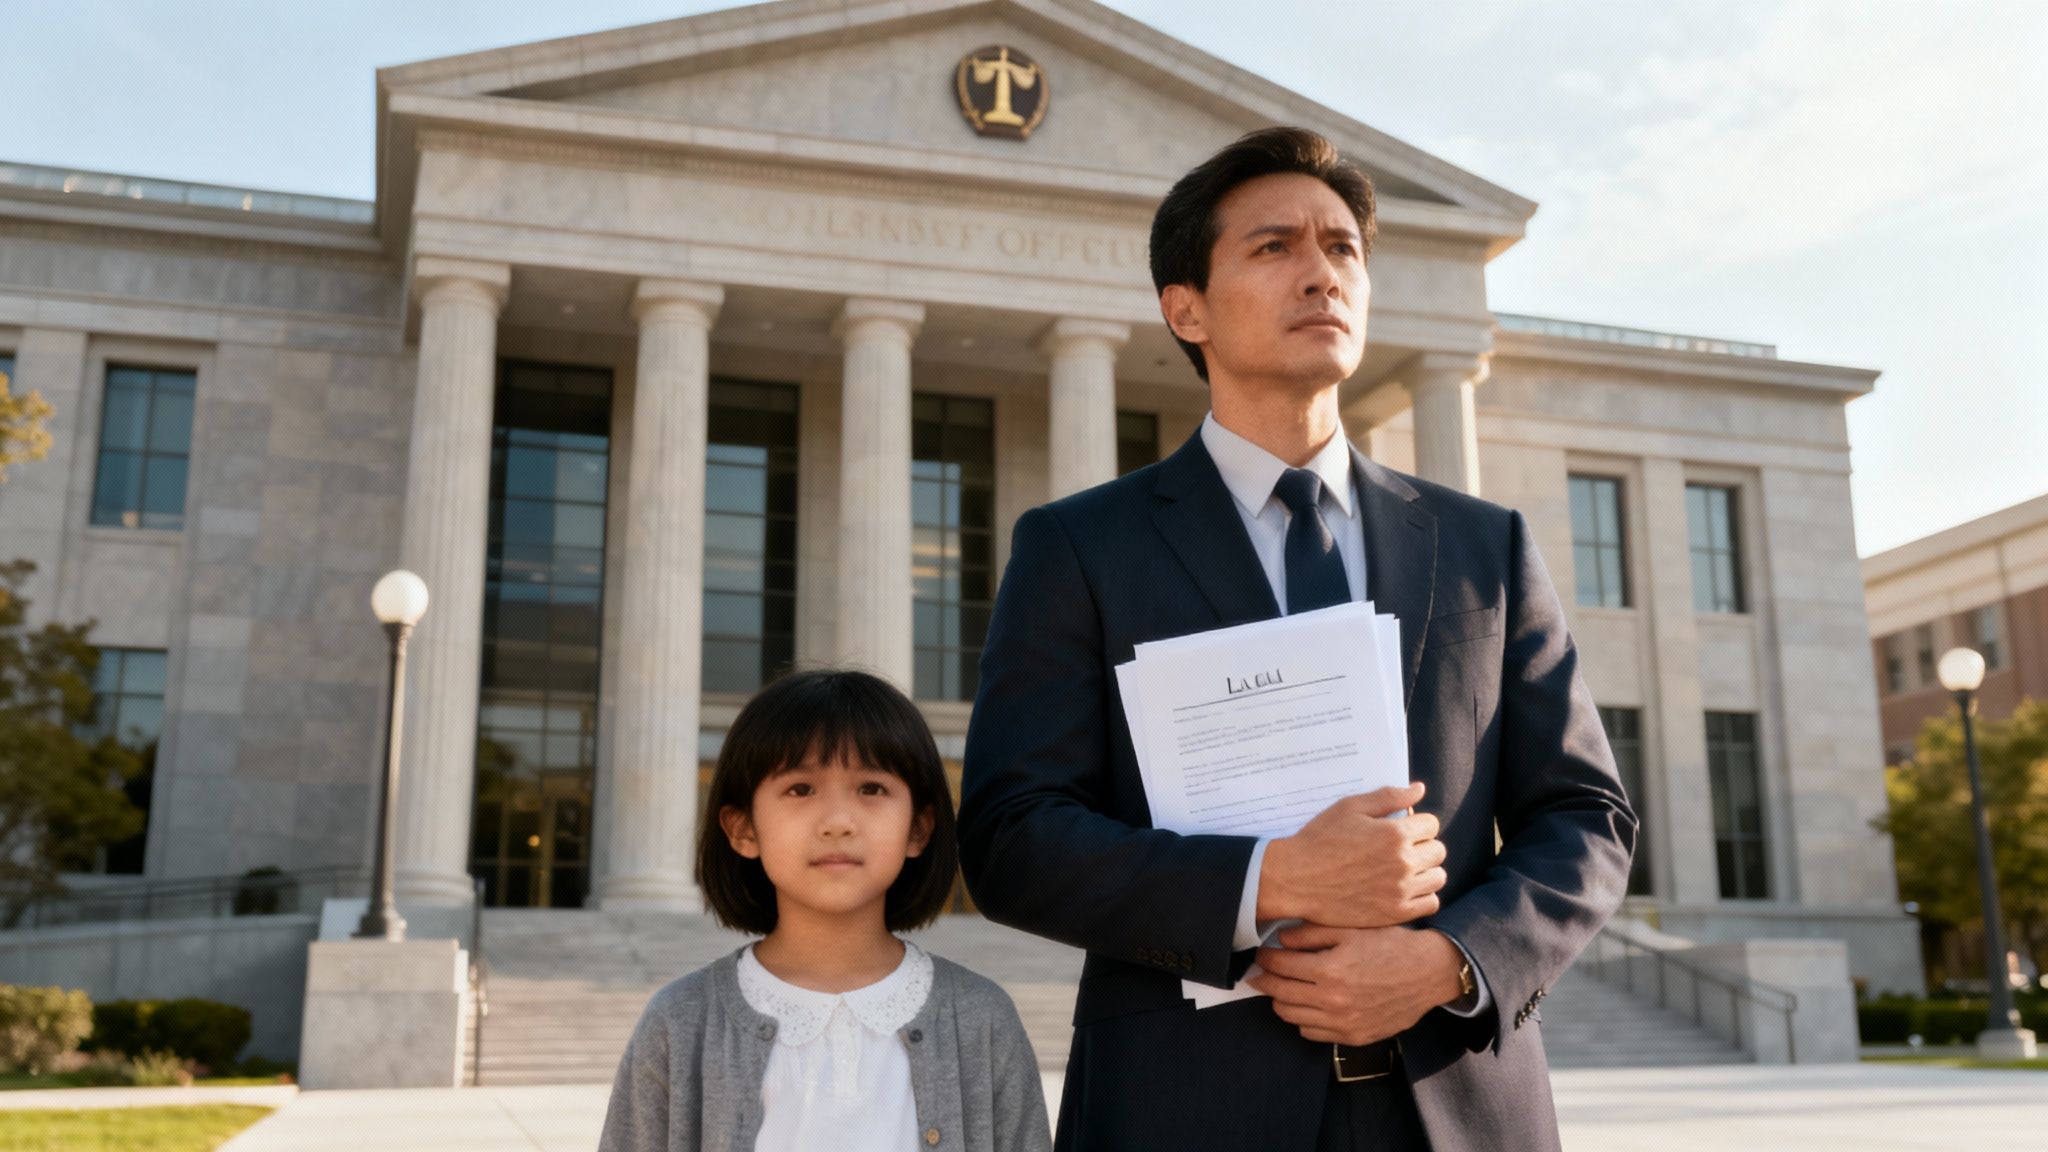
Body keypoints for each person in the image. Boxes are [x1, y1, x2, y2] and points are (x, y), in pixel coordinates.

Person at [957, 126, 1636, 1152]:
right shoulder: (1078, 548)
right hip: (1186, 1108)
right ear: (1183, 307)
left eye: (1341, 249)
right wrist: (1267, 881)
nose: (1319, 272)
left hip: (1452, 1101)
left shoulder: (1480, 544)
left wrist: (1449, 960)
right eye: (1273, 248)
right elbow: (1012, 835)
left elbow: (1584, 814)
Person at [600, 668, 1051, 1152]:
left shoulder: (981, 1018)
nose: (838, 822)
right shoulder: (680, 1021)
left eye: (872, 789)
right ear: (742, 829)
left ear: (918, 829)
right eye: (800, 789)